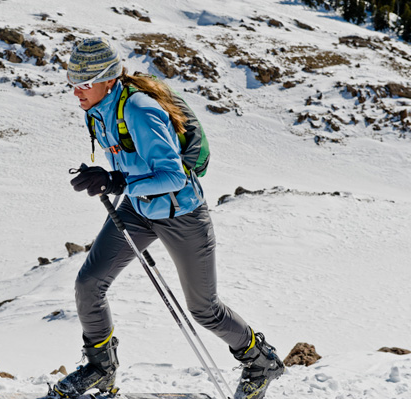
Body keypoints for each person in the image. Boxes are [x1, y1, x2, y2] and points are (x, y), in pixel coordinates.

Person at [52, 37, 284, 399]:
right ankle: (101, 370)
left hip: (183, 215)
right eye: (72, 82)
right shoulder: (99, 108)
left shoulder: (140, 110)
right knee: (89, 284)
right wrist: (104, 176)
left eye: (84, 82)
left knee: (205, 309)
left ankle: (261, 361)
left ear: (109, 79)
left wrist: (116, 180)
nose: (76, 91)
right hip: (139, 208)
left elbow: (174, 175)